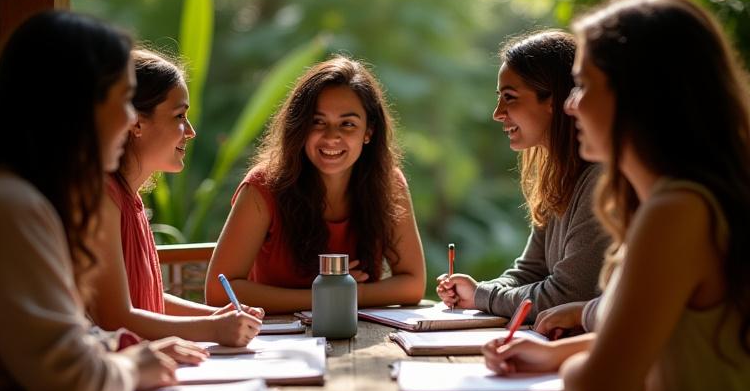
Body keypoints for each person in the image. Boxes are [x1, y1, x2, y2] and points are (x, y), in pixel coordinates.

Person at [482, 0, 750, 391]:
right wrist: (556, 354)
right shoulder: (676, 202)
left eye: (583, 84)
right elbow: (662, 337)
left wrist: (576, 374)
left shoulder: (677, 212)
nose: (571, 104)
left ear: (638, 96)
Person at [0, 11, 207, 391]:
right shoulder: (7, 209)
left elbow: (47, 343)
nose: (130, 120)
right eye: (124, 99)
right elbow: (68, 380)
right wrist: (131, 367)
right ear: (77, 103)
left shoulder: (12, 198)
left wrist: (118, 347)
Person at [205, 55, 426, 313]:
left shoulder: (390, 184)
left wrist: (345, 293)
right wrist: (328, 295)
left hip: (364, 335)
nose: (332, 136)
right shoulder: (262, 187)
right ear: (299, 127)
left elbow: (413, 285)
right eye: (318, 122)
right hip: (276, 344)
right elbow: (219, 293)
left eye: (348, 124)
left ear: (369, 132)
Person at [87, 48, 263, 346]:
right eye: (180, 115)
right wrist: (212, 329)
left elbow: (149, 298)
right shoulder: (102, 197)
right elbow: (115, 316)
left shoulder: (130, 200)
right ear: (135, 121)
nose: (191, 131)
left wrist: (216, 316)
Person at [437, 30, 609, 320]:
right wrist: (478, 290)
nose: (497, 113)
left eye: (510, 97)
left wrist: (483, 295)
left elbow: (567, 294)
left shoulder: (599, 181)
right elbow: (531, 271)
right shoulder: (557, 177)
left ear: (554, 100)